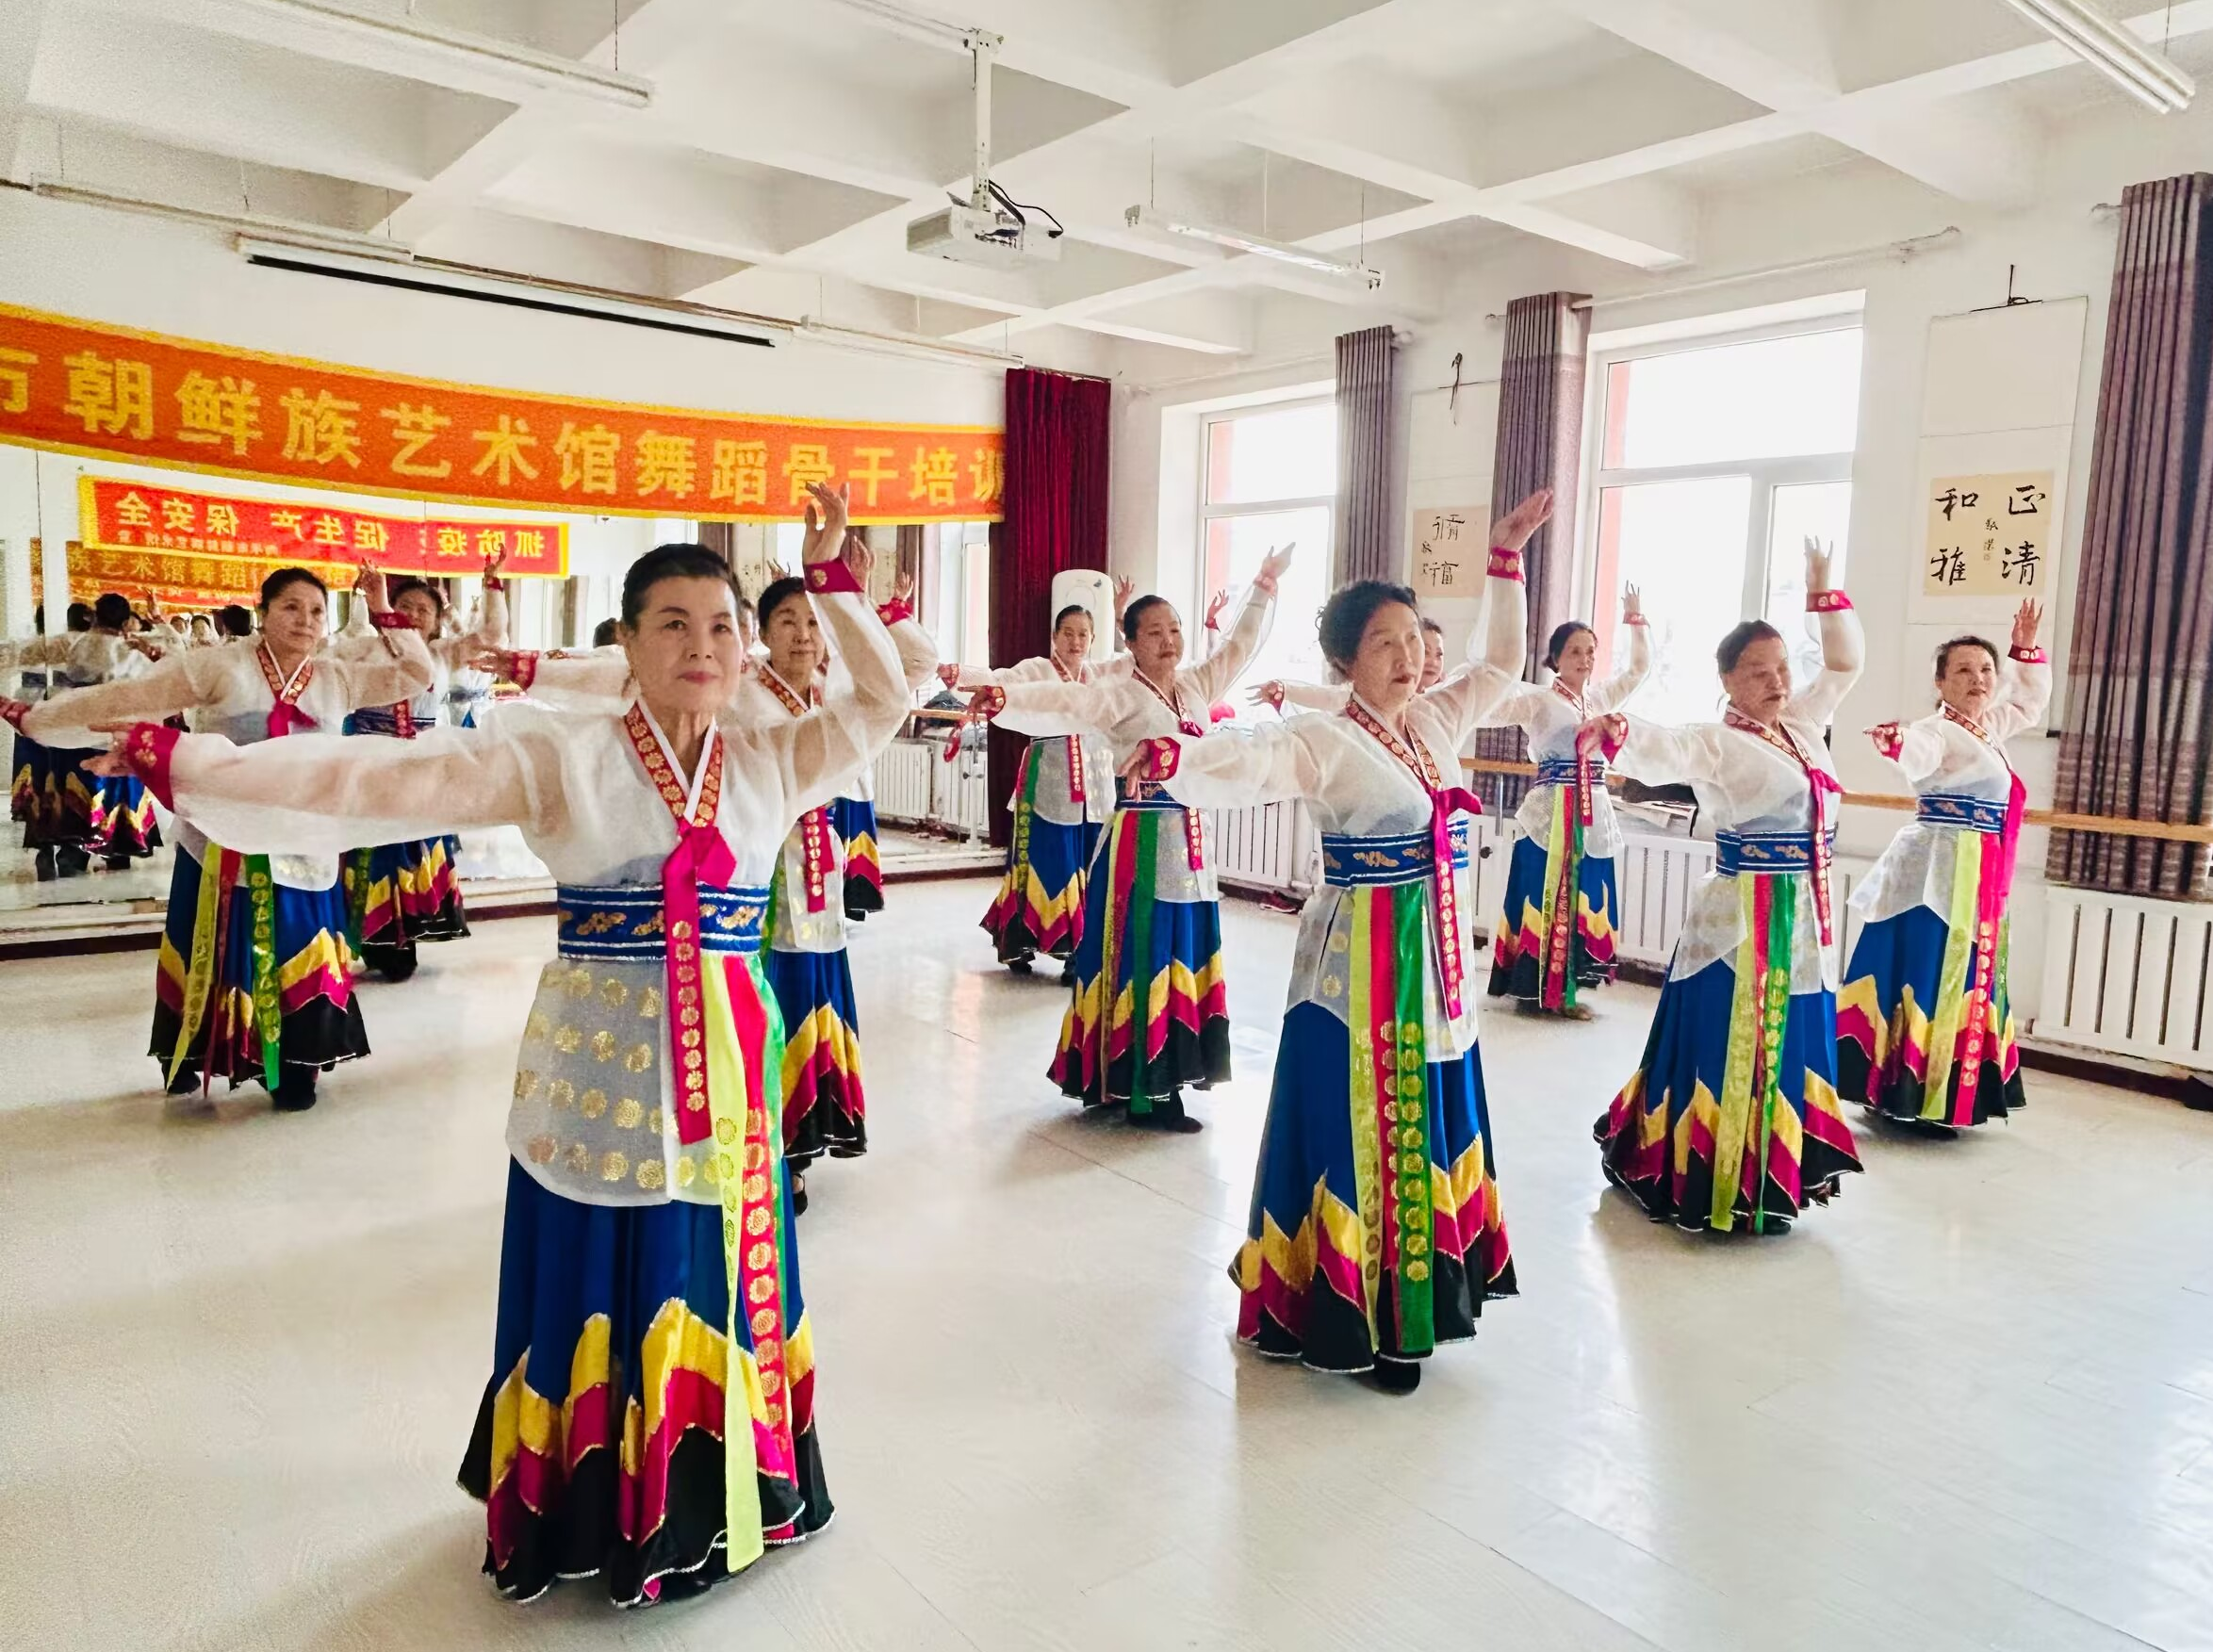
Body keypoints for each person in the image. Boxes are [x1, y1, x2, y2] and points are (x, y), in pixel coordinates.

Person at [79, 496, 895, 1606]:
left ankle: (718, 1489)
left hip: (729, 1077)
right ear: (626, 642)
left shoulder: (773, 760)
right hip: (598, 1075)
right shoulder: (563, 756)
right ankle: (592, 1502)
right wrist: (198, 768)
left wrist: (831, 580)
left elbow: (886, 695)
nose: (701, 648)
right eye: (670, 623)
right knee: (602, 1267)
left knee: (714, 1262)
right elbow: (379, 782)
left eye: (719, 626)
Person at [1123, 504, 1547, 1386]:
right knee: (1365, 1127)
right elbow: (1249, 761)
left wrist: (1503, 557)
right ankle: (1361, 1307)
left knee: (1426, 1115)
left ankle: (1425, 1291)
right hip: (1357, 972)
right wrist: (1175, 760)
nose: (1409, 658)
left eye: (1414, 641)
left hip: (1434, 970)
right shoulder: (1325, 735)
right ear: (1348, 659)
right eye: (1385, 643)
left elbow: (1502, 662)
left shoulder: (1432, 724)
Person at [6, 567, 432, 1108]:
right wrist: (42, 719)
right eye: (291, 607)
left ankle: (296, 1066)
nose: (305, 620)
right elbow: (136, 695)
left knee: (299, 944)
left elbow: (417, 672)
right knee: (213, 940)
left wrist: (380, 608)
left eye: (317, 611)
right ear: (264, 610)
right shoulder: (217, 665)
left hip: (303, 839)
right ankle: (198, 1051)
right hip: (222, 836)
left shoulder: (337, 676)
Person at [963, 548, 1295, 1132]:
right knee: (1146, 956)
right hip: (1141, 841)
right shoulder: (1117, 693)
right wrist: (1003, 696)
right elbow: (1063, 701)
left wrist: (1263, 589)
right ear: (1132, 641)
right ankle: (1144, 1085)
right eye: (1155, 632)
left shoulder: (1193, 687)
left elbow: (1238, 650)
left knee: (1185, 955)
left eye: (1175, 630)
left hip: (1190, 842)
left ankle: (1169, 1071)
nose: (1170, 641)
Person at [1589, 541, 1863, 1235]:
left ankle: (1776, 1170)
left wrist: (1824, 591)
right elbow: (1666, 745)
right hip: (1740, 919)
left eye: (1780, 669)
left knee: (1789, 1042)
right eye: (1756, 672)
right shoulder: (1718, 741)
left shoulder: (1802, 728)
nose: (1775, 682)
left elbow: (1843, 663)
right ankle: (1707, 1170)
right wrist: (1620, 728)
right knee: (1726, 1041)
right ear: (1727, 680)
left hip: (1798, 915)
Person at [1838, 601, 2049, 1131]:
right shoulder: (1938, 729)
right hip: (1938, 869)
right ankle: (1909, 1087)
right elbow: (1919, 748)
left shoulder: (1989, 727)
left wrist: (2025, 649)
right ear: (1940, 681)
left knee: (1968, 977)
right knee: (1927, 971)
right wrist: (1898, 741)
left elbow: (2028, 703)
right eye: (1963, 670)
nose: (1978, 680)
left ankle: (1952, 1089)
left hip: (1980, 872)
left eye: (1986, 671)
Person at [337, 560, 508, 982]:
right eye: (405, 606)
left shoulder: (442, 655)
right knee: (370, 857)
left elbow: (490, 636)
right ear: (386, 611)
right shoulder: (363, 650)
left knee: (409, 856)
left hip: (419, 773)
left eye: (423, 610)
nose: (413, 615)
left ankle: (402, 938)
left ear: (435, 622)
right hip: (369, 770)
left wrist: (491, 584)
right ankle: (370, 940)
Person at [943, 589, 1128, 973]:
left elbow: (1131, 665)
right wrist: (962, 675)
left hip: (1096, 786)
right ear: (1054, 637)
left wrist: (1124, 614)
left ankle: (1082, 945)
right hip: (1050, 781)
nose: (1076, 642)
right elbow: (1000, 681)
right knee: (1046, 863)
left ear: (1092, 640)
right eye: (1068, 633)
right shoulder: (1037, 669)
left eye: (1083, 635)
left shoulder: (1099, 674)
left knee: (1091, 866)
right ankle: (1038, 942)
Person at [1486, 592, 1652, 1017]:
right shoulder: (1539, 699)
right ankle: (1536, 988)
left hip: (1593, 810)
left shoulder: (1599, 700)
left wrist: (1635, 620)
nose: (1585, 658)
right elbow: (1487, 705)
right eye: (1575, 651)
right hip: (1550, 811)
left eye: (1591, 651)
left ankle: (1569, 988)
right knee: (1543, 893)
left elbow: (1638, 670)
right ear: (1555, 658)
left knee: (1586, 893)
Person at [38, 593, 167, 877]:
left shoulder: (71, 646)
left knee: (73, 791)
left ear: (94, 616)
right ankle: (117, 851)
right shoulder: (132, 655)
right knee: (117, 798)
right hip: (114, 743)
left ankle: (72, 853)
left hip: (71, 737)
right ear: (125, 621)